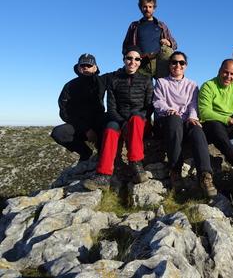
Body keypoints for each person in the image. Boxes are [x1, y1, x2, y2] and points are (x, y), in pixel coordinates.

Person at [83, 47, 153, 190]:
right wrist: (122, 123)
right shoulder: (114, 80)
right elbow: (111, 108)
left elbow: (149, 106)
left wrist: (136, 117)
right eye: (129, 58)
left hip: (139, 121)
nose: (132, 62)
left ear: (140, 62)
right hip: (119, 119)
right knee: (110, 128)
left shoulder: (146, 80)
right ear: (124, 59)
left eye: (136, 59)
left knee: (136, 119)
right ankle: (104, 175)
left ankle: (136, 164)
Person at [153, 51, 217, 197]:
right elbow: (158, 102)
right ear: (169, 65)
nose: (178, 65)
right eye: (174, 62)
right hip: (167, 121)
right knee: (174, 119)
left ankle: (205, 175)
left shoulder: (192, 85)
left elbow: (193, 104)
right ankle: (175, 171)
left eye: (181, 63)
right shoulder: (162, 82)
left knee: (197, 130)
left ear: (186, 66)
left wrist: (193, 117)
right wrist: (169, 110)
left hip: (185, 120)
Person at [51, 54, 111, 161]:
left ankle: (103, 155)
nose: (86, 67)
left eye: (89, 65)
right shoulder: (70, 86)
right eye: (83, 65)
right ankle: (85, 153)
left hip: (99, 122)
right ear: (78, 68)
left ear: (95, 67)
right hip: (79, 125)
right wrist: (85, 129)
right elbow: (64, 111)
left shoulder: (103, 81)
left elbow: (121, 74)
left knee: (111, 123)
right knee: (58, 133)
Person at [122, 0, 177, 79]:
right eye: (145, 6)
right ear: (140, 8)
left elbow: (174, 44)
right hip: (141, 61)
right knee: (142, 88)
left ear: (154, 8)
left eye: (150, 7)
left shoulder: (161, 25)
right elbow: (126, 45)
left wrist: (169, 42)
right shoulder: (134, 26)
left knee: (162, 86)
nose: (147, 9)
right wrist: (128, 60)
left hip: (159, 61)